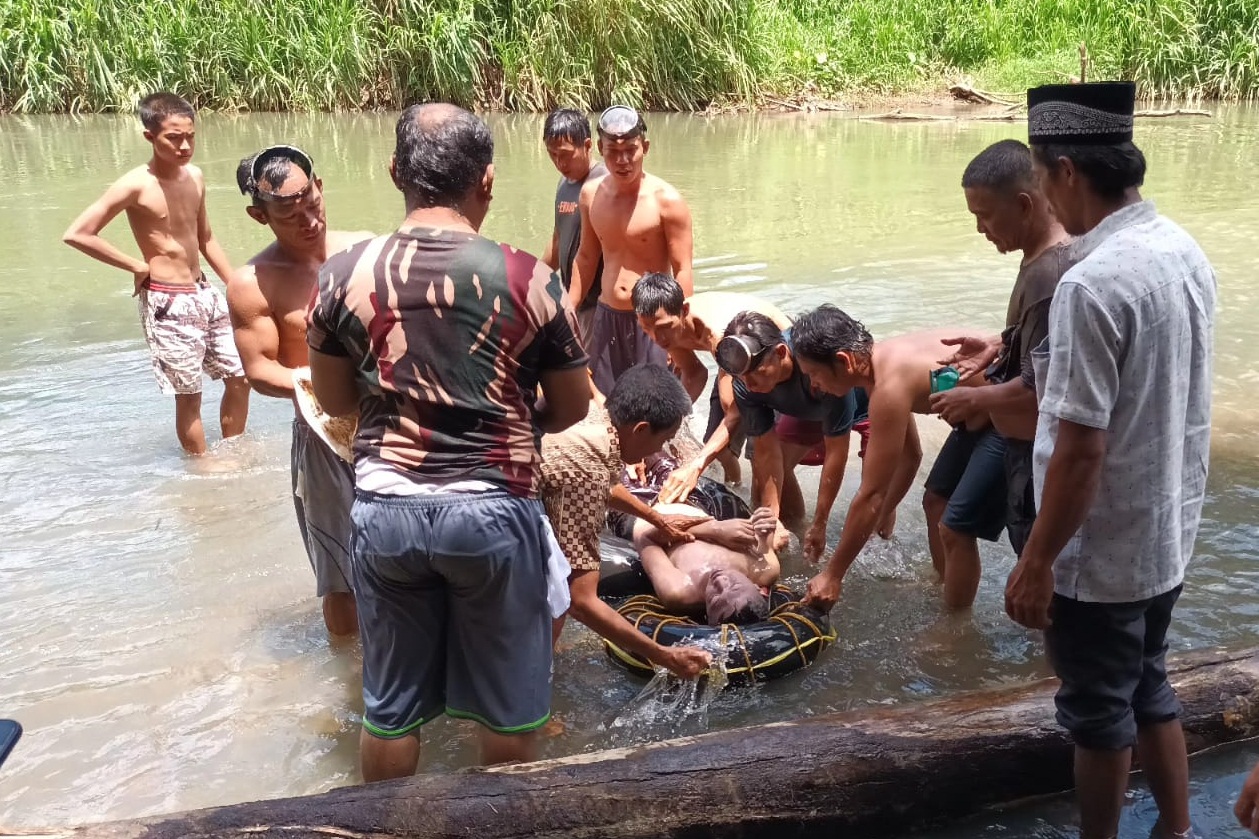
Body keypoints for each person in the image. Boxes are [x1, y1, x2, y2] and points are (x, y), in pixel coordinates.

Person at [307, 103, 591, 780]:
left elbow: (335, 400)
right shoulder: (532, 278)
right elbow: (575, 406)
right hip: (492, 511)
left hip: (385, 508)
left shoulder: (340, 274)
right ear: (486, 181)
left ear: (395, 172)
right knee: (509, 718)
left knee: (391, 712)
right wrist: (513, 419)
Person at [1003, 82, 1215, 839]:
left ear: (1063, 172)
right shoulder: (1181, 249)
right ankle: (1177, 829)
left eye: (1038, 174)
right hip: (1165, 531)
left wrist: (1035, 559)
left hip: (1100, 552)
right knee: (1148, 682)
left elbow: (1080, 446)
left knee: (1095, 713)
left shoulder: (1090, 284)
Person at [226, 144, 372, 638]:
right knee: (340, 574)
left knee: (415, 546)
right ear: (258, 215)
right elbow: (258, 369)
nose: (308, 220)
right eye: (289, 214)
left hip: (388, 418)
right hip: (322, 430)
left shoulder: (367, 250)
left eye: (311, 201)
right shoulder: (252, 283)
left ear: (321, 186)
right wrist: (316, 383)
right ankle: (353, 682)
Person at [922, 139, 1074, 609]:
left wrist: (976, 400)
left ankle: (1047, 667)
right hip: (1005, 429)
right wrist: (999, 343)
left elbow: (1043, 394)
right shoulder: (1035, 263)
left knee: (1035, 556)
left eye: (985, 215)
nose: (980, 228)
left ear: (1024, 205)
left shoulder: (1050, 278)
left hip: (1026, 442)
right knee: (943, 506)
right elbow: (1038, 350)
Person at [62, 91, 250, 456]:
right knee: (189, 396)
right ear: (150, 137)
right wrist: (136, 265)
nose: (184, 146)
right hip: (168, 301)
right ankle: (203, 469)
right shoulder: (135, 184)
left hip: (205, 294)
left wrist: (236, 284)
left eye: (190, 137)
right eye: (174, 138)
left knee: (241, 378)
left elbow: (205, 237)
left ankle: (234, 456)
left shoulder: (195, 176)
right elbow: (78, 233)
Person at [787, 306, 993, 609]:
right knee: (935, 502)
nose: (814, 385)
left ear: (843, 361)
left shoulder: (889, 388)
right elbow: (911, 456)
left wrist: (833, 575)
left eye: (814, 374)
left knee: (954, 526)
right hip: (979, 419)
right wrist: (883, 513)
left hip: (1009, 419)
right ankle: (945, 585)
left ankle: (956, 626)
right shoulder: (878, 364)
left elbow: (871, 493)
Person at [540, 364, 714, 678]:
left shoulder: (593, 416)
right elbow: (581, 601)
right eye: (664, 440)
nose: (661, 450)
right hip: (488, 531)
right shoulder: (586, 471)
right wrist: (663, 655)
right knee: (560, 585)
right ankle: (535, 702)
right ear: (641, 429)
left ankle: (541, 664)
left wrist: (656, 519)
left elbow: (608, 483)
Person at [714, 311, 872, 562]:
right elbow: (766, 451)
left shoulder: (821, 370)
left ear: (781, 353)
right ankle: (798, 536)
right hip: (809, 407)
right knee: (764, 486)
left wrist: (821, 522)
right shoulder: (745, 381)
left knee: (878, 510)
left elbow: (837, 453)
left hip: (865, 403)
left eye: (757, 374)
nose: (750, 384)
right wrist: (771, 519)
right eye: (742, 377)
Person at [571, 105, 694, 394]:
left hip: (653, 323)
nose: (623, 160)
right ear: (600, 149)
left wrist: (675, 335)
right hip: (607, 316)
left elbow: (683, 270)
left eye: (631, 150)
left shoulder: (668, 202)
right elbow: (586, 257)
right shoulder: (590, 195)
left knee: (654, 404)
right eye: (613, 151)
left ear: (645, 148)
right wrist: (568, 309)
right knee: (606, 403)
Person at [632, 272, 792, 494]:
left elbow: (734, 412)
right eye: (646, 329)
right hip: (733, 359)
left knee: (761, 454)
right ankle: (735, 489)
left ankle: (784, 519)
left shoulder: (716, 334)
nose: (657, 339)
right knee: (716, 444)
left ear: (684, 311)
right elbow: (695, 373)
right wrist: (666, 425)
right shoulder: (668, 331)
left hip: (771, 360)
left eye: (663, 327)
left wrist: (695, 466)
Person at [632, 505, 780, 626]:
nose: (719, 581)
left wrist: (713, 529)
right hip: (697, 506)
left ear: (708, 617)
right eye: (734, 586)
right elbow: (764, 532)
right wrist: (764, 522)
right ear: (758, 588)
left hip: (647, 512)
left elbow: (643, 536)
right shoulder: (765, 569)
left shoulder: (678, 591)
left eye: (715, 599)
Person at [540, 108, 607, 347]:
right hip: (574, 300)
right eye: (552, 154)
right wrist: (533, 278)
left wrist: (570, 305)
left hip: (597, 306)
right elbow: (559, 241)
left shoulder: (603, 184)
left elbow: (590, 254)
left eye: (566, 154)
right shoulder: (563, 183)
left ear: (588, 145)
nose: (559, 162)